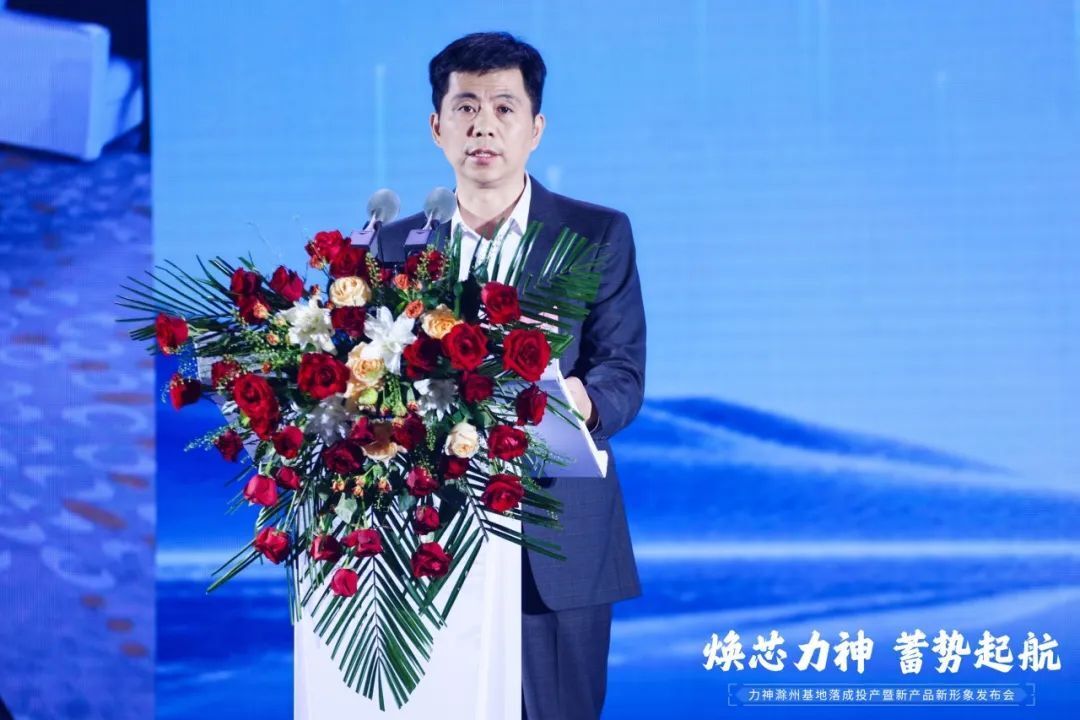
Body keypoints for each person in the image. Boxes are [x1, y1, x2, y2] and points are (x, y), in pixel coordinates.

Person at [379, 31, 646, 720]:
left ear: (536, 128)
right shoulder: (393, 247)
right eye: (465, 108)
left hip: (558, 531)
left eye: (504, 108)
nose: (484, 126)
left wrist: (580, 402)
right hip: (427, 532)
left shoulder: (596, 234)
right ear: (437, 127)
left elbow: (623, 371)